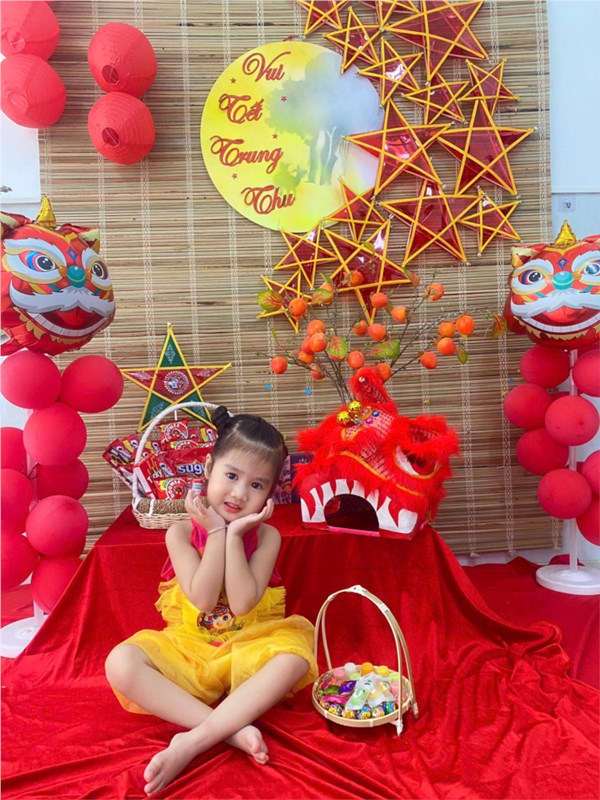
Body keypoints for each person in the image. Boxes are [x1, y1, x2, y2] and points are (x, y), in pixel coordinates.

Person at [105, 407, 318, 796]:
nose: (239, 493)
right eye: (231, 476)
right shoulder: (179, 533)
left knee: (294, 659)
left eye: (256, 485)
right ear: (208, 467)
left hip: (249, 645)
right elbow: (203, 600)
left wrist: (234, 537)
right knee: (120, 662)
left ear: (270, 495)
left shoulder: (266, 537)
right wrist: (216, 533)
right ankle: (231, 730)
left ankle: (193, 741)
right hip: (191, 648)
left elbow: (242, 604)